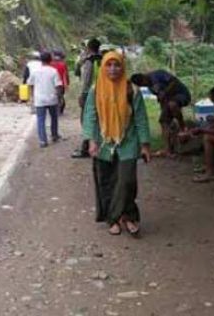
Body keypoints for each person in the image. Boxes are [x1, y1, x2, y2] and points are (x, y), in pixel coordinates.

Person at [83, 51, 151, 236]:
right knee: (107, 181)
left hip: (127, 141)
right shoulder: (96, 90)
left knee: (127, 181)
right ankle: (113, 219)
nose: (113, 69)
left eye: (117, 65)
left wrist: (145, 145)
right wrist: (91, 141)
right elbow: (90, 116)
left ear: (123, 67)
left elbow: (141, 119)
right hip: (103, 142)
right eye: (109, 65)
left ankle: (128, 216)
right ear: (103, 67)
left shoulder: (132, 90)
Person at [131, 70, 191, 158]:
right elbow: (162, 99)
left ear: (144, 76)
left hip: (182, 95)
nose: (145, 85)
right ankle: (168, 150)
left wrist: (165, 92)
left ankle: (183, 127)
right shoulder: (151, 88)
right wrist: (164, 114)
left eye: (145, 83)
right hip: (168, 102)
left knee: (172, 104)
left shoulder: (159, 74)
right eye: (143, 85)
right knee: (163, 122)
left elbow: (174, 81)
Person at [72, 38, 102, 158]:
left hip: (90, 94)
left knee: (86, 120)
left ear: (88, 48)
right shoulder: (103, 59)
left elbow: (86, 80)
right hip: (102, 93)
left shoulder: (89, 62)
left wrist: (82, 95)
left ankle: (85, 148)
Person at [28, 51, 63, 148]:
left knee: (40, 120)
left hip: (39, 99)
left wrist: (32, 96)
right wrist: (59, 97)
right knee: (54, 118)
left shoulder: (35, 71)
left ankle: (43, 141)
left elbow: (30, 84)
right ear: (50, 60)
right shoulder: (53, 71)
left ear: (40, 60)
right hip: (52, 98)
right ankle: (54, 135)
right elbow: (58, 86)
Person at [51, 50, 69, 114]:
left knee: (54, 96)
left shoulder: (51, 64)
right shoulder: (63, 64)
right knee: (60, 96)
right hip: (61, 84)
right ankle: (60, 109)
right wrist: (66, 84)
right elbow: (65, 75)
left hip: (52, 83)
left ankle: (56, 109)